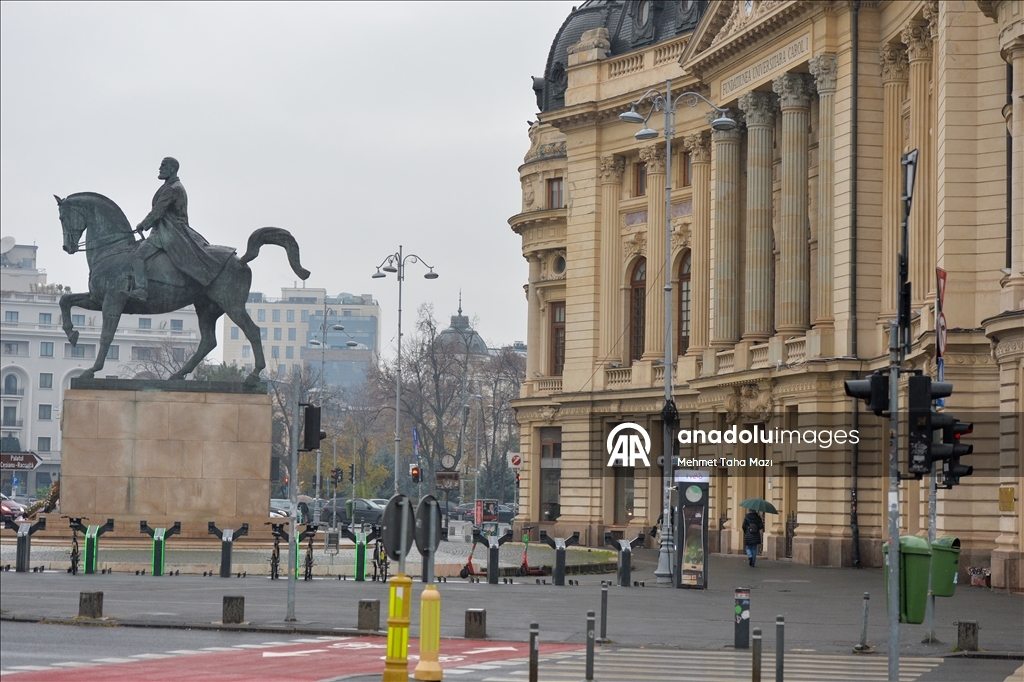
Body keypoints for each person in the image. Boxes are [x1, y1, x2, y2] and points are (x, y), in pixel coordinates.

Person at [130, 157, 230, 301]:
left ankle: (141, 290)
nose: (160, 168)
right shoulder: (172, 186)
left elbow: (157, 212)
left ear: (172, 169)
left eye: (163, 166)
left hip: (169, 232)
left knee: (137, 256)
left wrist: (143, 225)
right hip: (168, 230)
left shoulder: (172, 189)